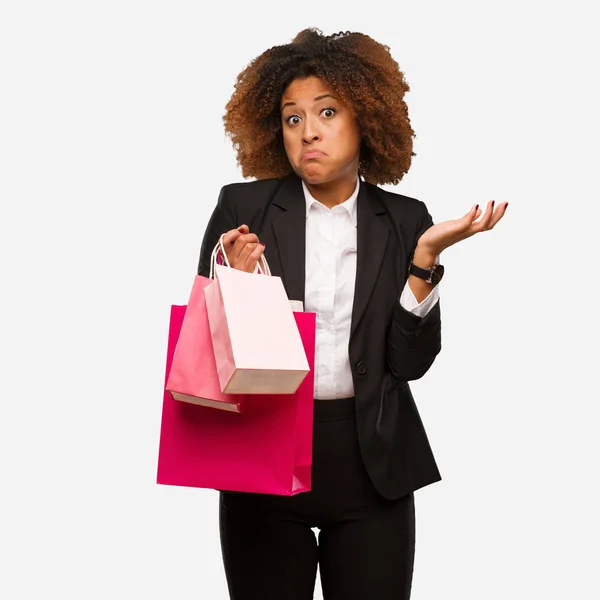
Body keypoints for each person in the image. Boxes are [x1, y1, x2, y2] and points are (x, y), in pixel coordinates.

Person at [196, 27, 507, 600]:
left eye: (327, 112)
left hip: (372, 463)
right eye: (292, 118)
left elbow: (408, 364)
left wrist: (424, 261)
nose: (308, 132)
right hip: (264, 458)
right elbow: (208, 352)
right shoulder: (243, 209)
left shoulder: (407, 220)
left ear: (366, 118)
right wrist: (234, 280)